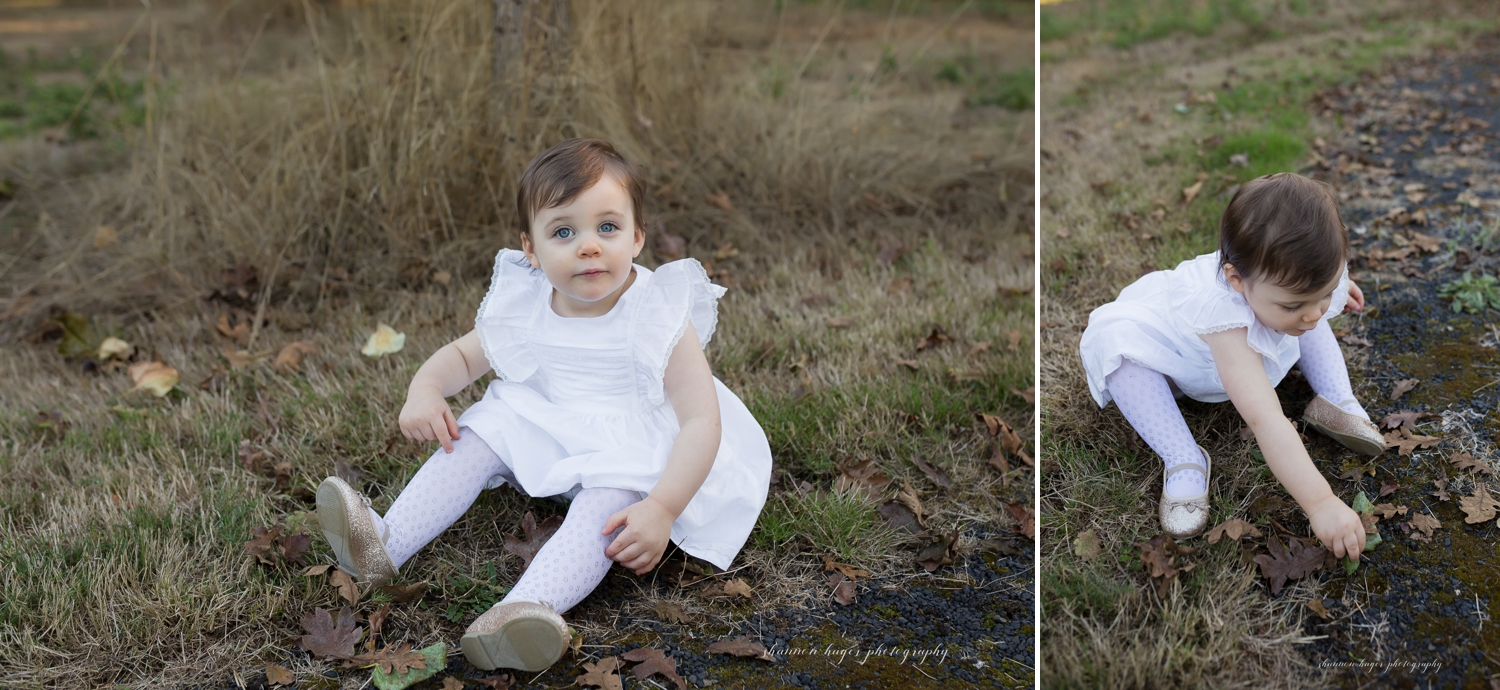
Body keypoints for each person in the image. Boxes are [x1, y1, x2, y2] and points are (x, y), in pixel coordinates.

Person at [314, 138, 772, 673]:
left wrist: (664, 508)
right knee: (475, 435)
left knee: (606, 506)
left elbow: (700, 421)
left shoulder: (657, 311)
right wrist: (426, 389)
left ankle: (523, 612)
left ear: (637, 237)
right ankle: (384, 546)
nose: (589, 247)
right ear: (530, 249)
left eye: (607, 227)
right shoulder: (530, 299)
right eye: (563, 232)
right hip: (551, 421)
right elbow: (463, 356)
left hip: (630, 443)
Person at [1078, 172, 1381, 562]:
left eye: (1326, 291)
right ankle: (1182, 457)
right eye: (1293, 302)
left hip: (1253, 325)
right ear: (1236, 279)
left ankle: (1336, 398)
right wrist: (1321, 503)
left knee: (1306, 318)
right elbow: (1266, 420)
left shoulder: (1291, 287)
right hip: (1175, 358)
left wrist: (1332, 288)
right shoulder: (1225, 322)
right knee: (1121, 356)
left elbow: (1310, 295)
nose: (1315, 312)